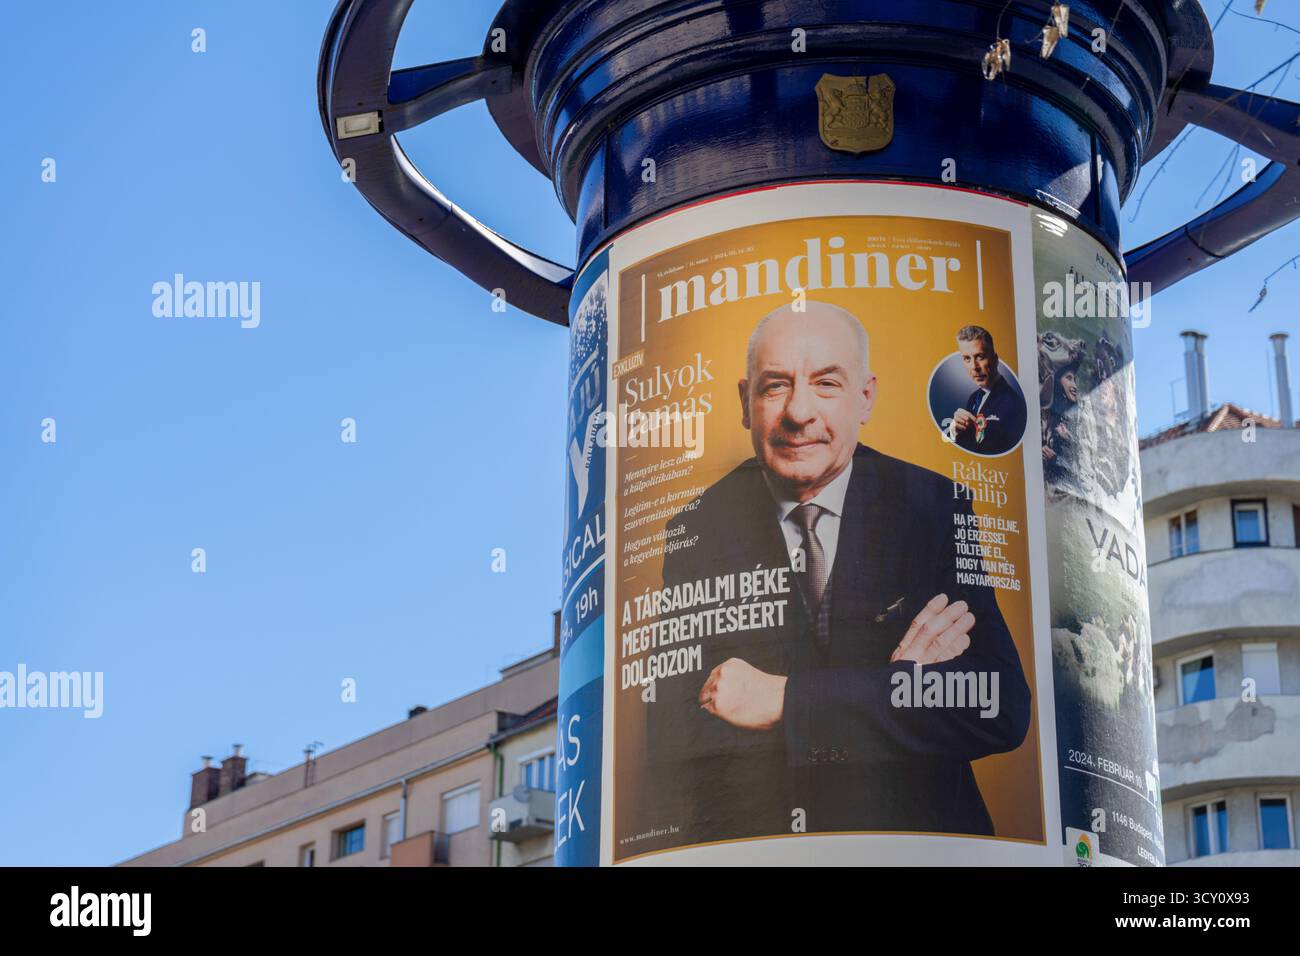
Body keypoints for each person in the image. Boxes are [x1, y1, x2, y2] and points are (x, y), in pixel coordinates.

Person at [643, 301, 1031, 844]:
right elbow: (674, 739)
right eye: (775, 385)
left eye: (826, 383)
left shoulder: (932, 503)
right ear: (744, 402)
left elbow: (999, 706)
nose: (799, 412)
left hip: (919, 847)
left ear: (865, 398)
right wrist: (898, 686)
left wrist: (784, 702)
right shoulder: (697, 529)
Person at [949, 325, 1026, 455]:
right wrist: (955, 430)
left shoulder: (1013, 404)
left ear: (995, 360)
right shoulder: (974, 397)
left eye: (980, 357)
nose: (974, 367)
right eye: (967, 358)